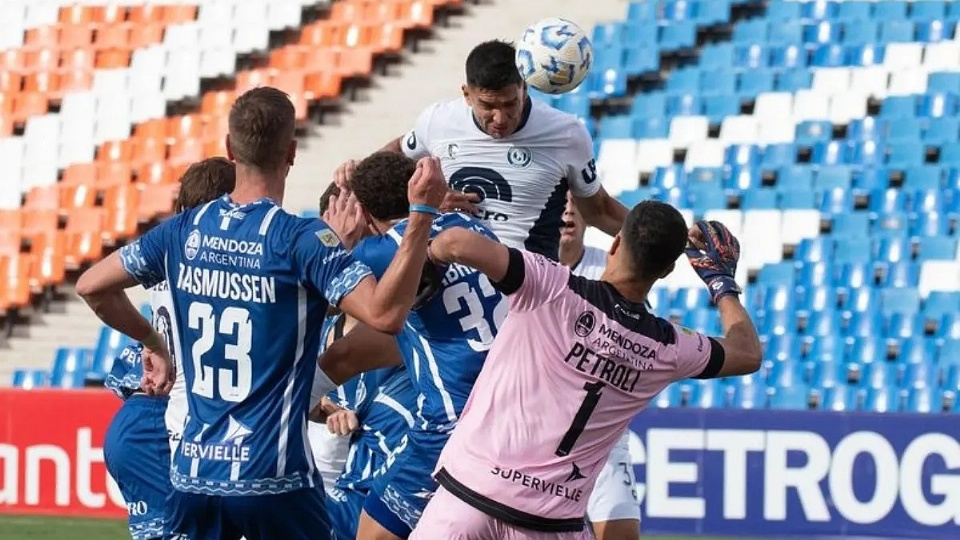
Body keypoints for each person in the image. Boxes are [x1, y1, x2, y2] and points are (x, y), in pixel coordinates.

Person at [76, 86, 447, 540]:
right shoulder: (301, 239)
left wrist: (154, 343)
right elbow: (386, 315)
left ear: (230, 149)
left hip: (193, 472)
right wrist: (422, 213)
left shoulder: (181, 231)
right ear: (291, 151)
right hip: (271, 476)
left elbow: (91, 286)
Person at [409, 202, 762, 539]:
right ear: (667, 271)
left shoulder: (550, 285)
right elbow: (747, 353)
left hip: (467, 498)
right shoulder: (669, 347)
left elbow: (457, 243)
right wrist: (720, 283)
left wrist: (429, 259)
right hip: (550, 524)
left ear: (615, 244)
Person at [320, 151, 508, 540]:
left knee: (371, 534)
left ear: (365, 214)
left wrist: (338, 243)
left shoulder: (380, 251)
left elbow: (312, 298)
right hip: (511, 400)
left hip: (452, 418)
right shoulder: (471, 226)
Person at [375, 39, 627, 262]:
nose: (500, 118)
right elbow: (390, 160)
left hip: (528, 285)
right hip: (451, 280)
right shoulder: (438, 120)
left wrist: (650, 241)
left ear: (524, 89)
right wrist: (425, 202)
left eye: (510, 104)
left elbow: (600, 210)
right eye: (488, 106)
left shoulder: (566, 134)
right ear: (467, 94)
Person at [102, 157, 236, 540]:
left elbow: (100, 285)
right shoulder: (219, 260)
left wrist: (149, 339)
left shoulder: (167, 251)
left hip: (143, 417)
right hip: (158, 423)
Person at [558, 192, 640, 540]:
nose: (567, 210)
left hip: (601, 434)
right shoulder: (530, 264)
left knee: (622, 534)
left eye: (574, 202)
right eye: (560, 203)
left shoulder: (610, 267)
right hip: (541, 432)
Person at [316, 312, 418, 540]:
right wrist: (321, 407)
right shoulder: (316, 333)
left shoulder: (411, 339)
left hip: (371, 496)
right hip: (343, 486)